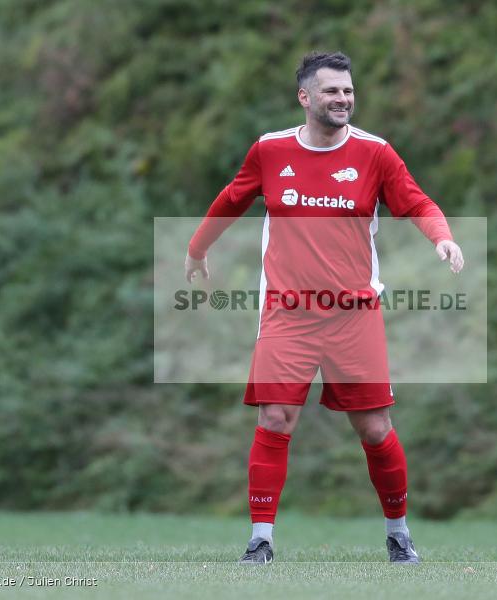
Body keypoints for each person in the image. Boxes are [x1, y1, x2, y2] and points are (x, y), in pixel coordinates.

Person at [185, 51, 464, 565]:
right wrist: (198, 248)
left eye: (348, 91)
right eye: (332, 91)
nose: (343, 99)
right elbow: (231, 198)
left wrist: (441, 237)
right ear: (305, 97)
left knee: (376, 429)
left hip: (353, 313)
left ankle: (399, 534)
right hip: (286, 311)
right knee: (275, 417)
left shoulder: (375, 153)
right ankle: (260, 541)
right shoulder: (270, 151)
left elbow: (418, 202)